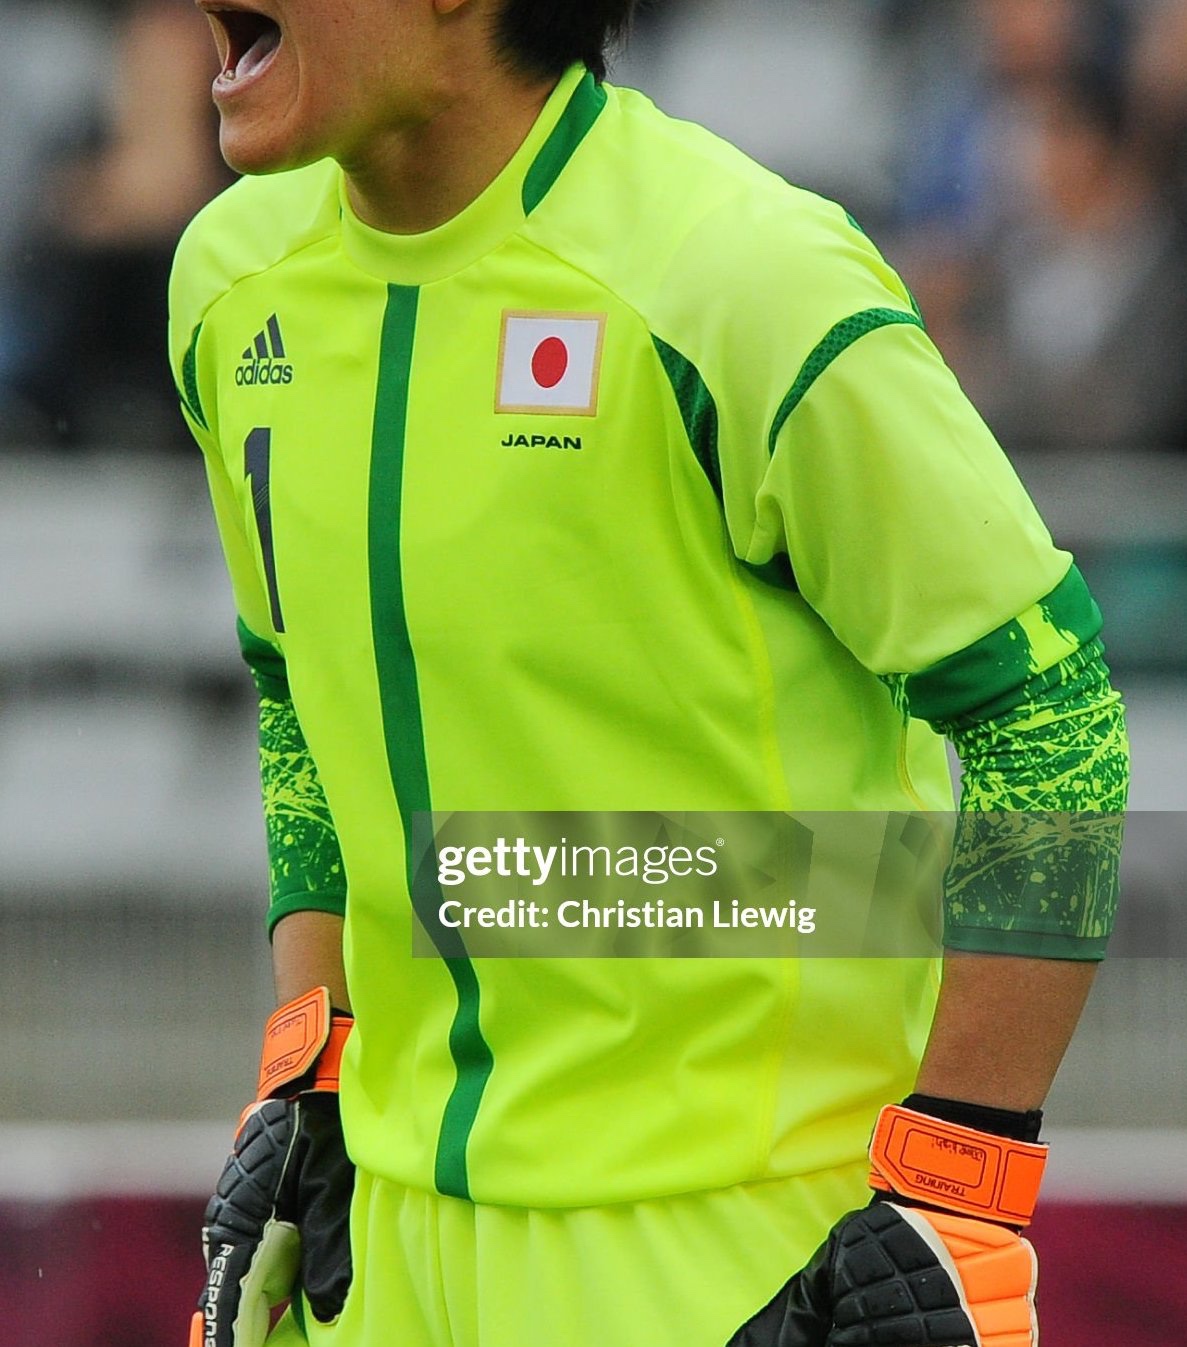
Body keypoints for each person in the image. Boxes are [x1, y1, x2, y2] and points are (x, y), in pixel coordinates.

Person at [168, 3, 1129, 1345]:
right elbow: (298, 697)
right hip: (371, 1249)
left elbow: (1051, 715)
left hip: (744, 1261)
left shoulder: (744, 278)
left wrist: (955, 1190)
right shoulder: (227, 284)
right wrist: (306, 1059)